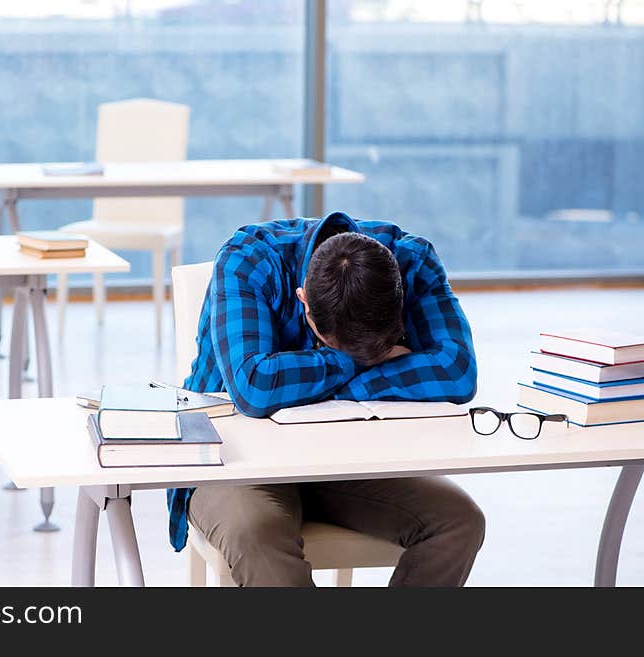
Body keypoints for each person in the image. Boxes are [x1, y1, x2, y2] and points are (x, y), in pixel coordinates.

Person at [167, 211, 485, 586]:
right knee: (256, 534)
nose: (362, 357)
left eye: (373, 349)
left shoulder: (412, 261)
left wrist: (307, 375)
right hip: (237, 463)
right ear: (303, 299)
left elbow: (457, 371)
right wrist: (365, 361)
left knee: (457, 523)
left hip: (347, 460)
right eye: (336, 345)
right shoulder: (247, 258)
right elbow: (255, 386)